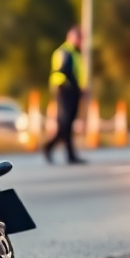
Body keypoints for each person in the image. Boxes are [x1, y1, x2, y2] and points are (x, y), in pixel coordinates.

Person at [44, 27, 86, 164]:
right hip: (65, 91)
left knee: (67, 125)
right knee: (65, 123)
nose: (81, 41)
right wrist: (76, 88)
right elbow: (65, 72)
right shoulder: (65, 52)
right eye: (79, 38)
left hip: (71, 91)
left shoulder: (74, 53)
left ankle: (70, 155)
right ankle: (49, 147)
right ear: (72, 37)